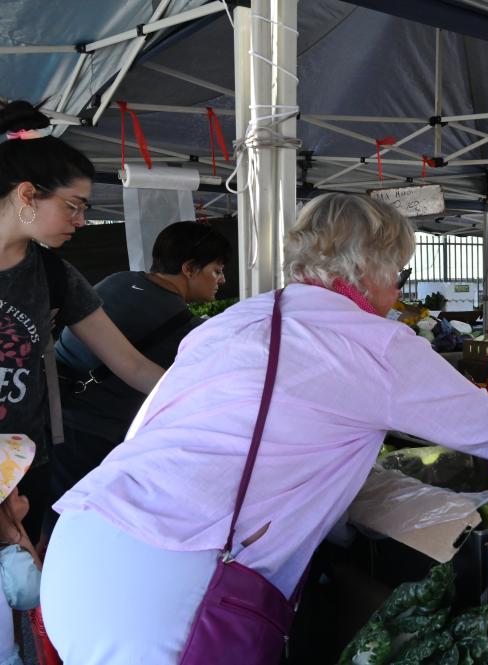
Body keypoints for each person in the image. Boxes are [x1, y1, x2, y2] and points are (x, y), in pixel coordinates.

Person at [40, 193, 488, 663]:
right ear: (370, 267)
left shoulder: (238, 319)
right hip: (169, 588)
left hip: (80, 548)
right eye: (401, 275)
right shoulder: (370, 342)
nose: (399, 292)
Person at [0, 100, 165, 539]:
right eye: (73, 206)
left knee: (19, 590)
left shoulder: (54, 275)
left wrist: (207, 396)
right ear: (27, 195)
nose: (81, 221)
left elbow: (129, 364)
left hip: (23, 472)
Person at [49, 221, 231, 519]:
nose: (221, 279)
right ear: (189, 268)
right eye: (217, 270)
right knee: (71, 523)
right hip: (94, 437)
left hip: (52, 418)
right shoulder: (185, 328)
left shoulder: (117, 280)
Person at [0, 435, 41, 665]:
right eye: (8, 486)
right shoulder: (9, 567)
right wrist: (14, 531)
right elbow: (36, 588)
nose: (16, 488)